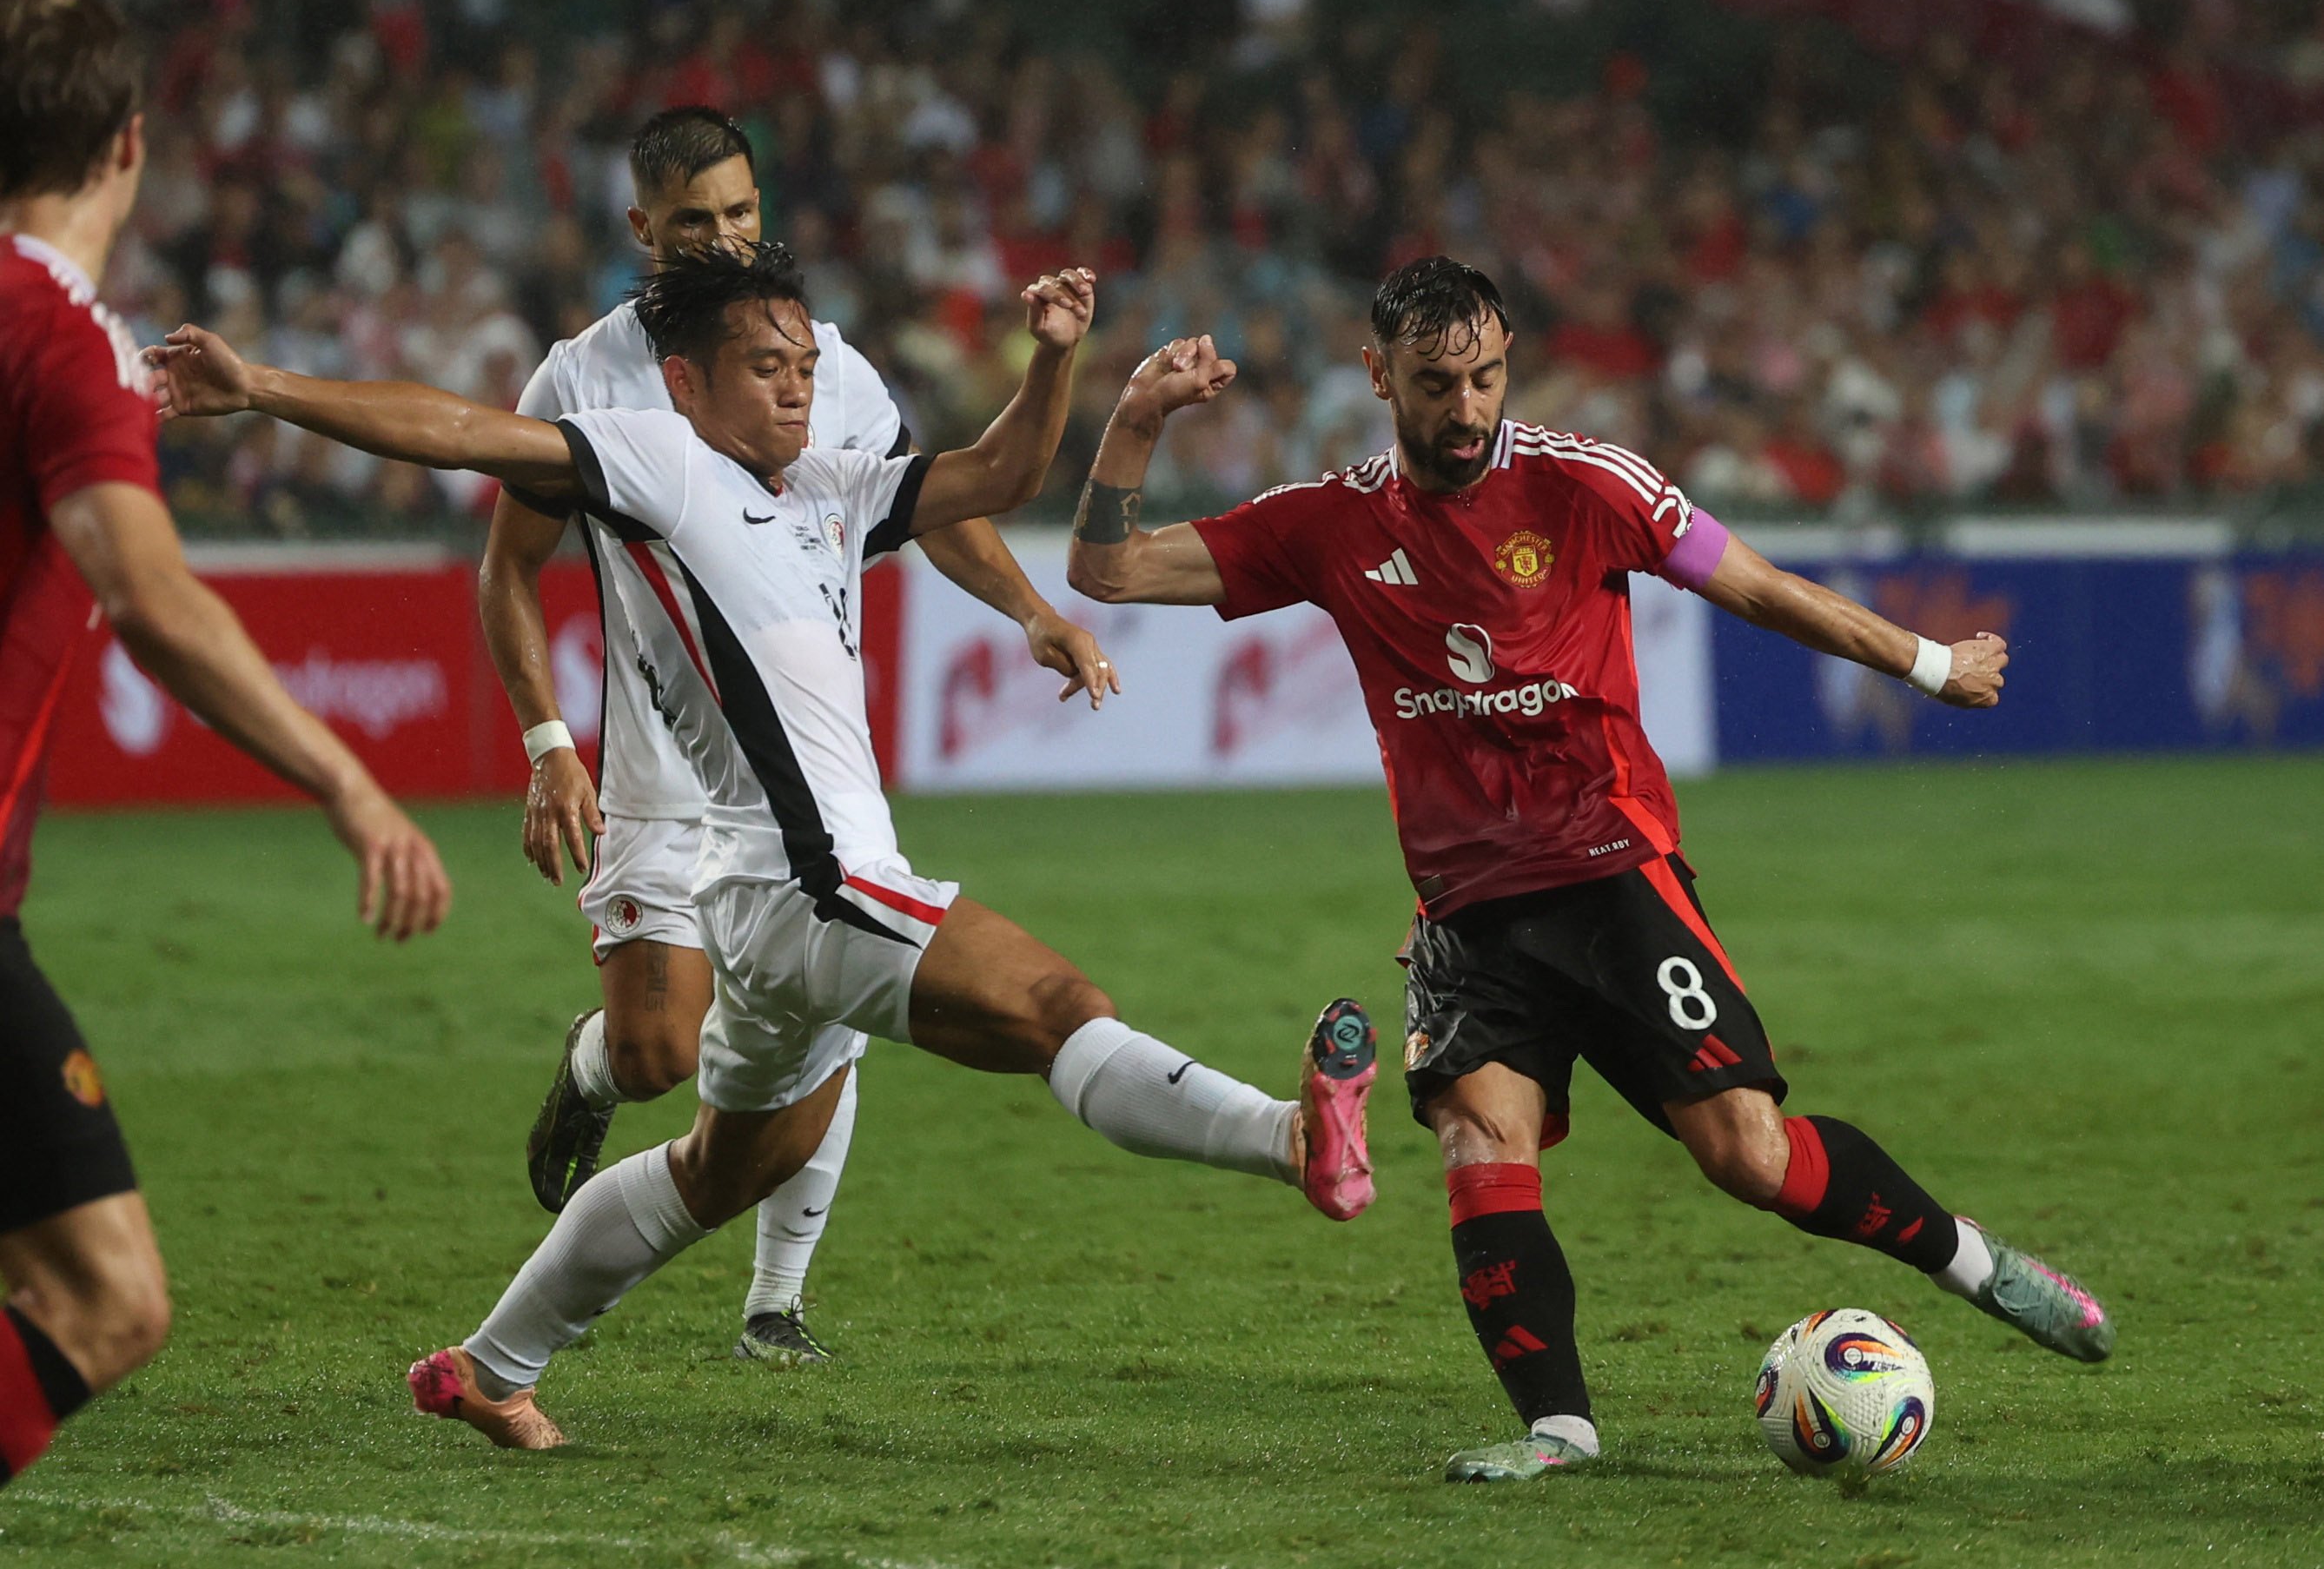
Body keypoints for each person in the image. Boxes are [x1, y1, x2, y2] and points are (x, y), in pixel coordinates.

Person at [147, 243, 1379, 1452]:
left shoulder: (834, 485)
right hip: (811, 881)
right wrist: (263, 388)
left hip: (778, 887)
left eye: (802, 361)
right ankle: (1290, 1137)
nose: (795, 383)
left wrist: (1058, 361)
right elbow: (463, 433)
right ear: (687, 385)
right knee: (1059, 1002)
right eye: (763, 365)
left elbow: (1001, 470)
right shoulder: (659, 460)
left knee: (718, 1169)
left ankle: (485, 1366)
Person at [1062, 255, 2115, 1483]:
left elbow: (1761, 589)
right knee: (1476, 1139)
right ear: (1378, 375)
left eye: (1487, 375)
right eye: (1437, 382)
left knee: (1747, 1155)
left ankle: (1975, 1264)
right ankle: (1558, 1426)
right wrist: (1136, 416)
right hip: (1466, 913)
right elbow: (1107, 570)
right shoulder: (1328, 524)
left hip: (1614, 873)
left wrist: (1931, 666)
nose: (1467, 407)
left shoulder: (1585, 482)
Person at [481, 106, 1113, 1367]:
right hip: (660, 777)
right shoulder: (583, 374)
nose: (722, 240)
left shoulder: (822, 360)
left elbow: (931, 500)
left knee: (827, 983)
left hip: (799, 765)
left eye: (742, 215)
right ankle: (595, 1064)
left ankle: (777, 1297)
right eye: (693, 223)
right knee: (662, 1048)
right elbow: (508, 566)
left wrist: (1032, 609)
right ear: (640, 231)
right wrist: (548, 735)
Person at [0, 0, 451, 1488]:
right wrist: (347, 778)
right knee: (106, 1298)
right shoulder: (58, 337)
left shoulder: (69, 355)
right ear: (129, 144)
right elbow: (153, 594)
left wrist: (115, 407)